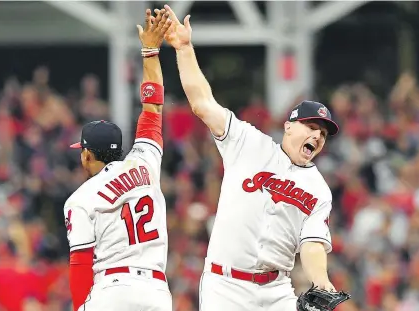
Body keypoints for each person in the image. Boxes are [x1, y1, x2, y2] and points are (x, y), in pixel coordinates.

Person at [163, 5, 340, 310]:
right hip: (225, 285)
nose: (317, 136)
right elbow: (203, 104)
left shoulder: (318, 189)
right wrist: (184, 48)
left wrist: (321, 282)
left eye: (322, 135)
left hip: (276, 291)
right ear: (288, 126)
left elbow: (312, 244)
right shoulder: (249, 143)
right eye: (311, 127)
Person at [64, 8, 173, 311]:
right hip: (156, 292)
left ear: (87, 155)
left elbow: (80, 264)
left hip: (112, 290)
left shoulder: (80, 198)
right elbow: (152, 106)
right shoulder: (145, 163)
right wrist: (150, 53)